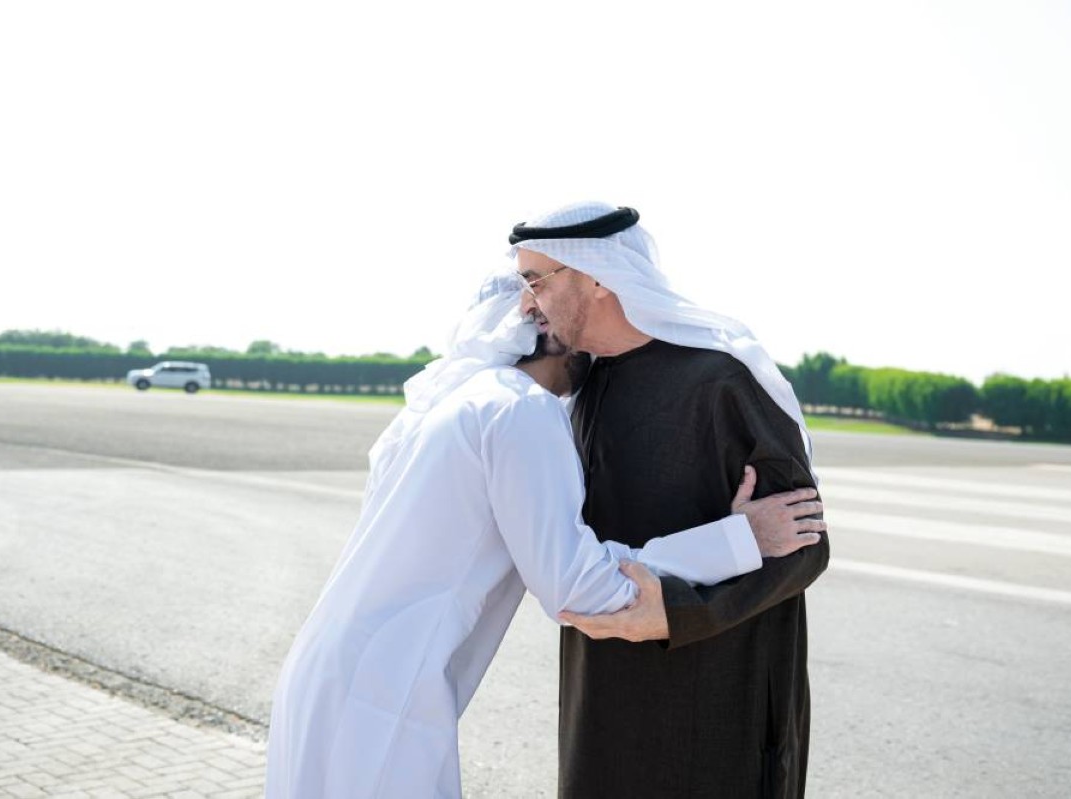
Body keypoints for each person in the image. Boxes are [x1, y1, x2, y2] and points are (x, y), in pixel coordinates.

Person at [263, 271, 827, 798]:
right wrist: (739, 540)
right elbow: (579, 588)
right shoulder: (519, 410)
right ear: (540, 327)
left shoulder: (455, 404)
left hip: (327, 679)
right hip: (381, 700)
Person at [512, 202, 830, 798]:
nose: (527, 304)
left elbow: (807, 542)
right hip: (602, 698)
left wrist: (676, 612)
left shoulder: (723, 379)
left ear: (597, 276)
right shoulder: (580, 389)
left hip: (717, 705)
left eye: (536, 281)